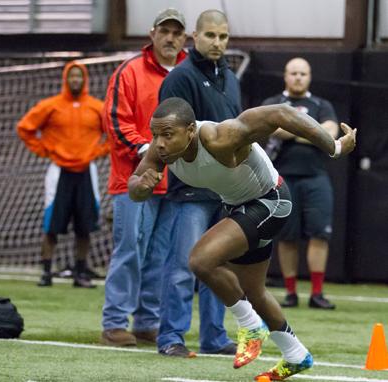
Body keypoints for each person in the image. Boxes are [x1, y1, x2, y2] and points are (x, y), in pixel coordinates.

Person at [129, 97, 356, 379]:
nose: (159, 143)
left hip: (271, 201)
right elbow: (135, 187)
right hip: (242, 206)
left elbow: (282, 113)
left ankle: (250, 326)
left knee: (200, 260)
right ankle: (296, 354)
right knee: (253, 291)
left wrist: (334, 147)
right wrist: (142, 186)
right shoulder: (160, 152)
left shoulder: (220, 136)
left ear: (190, 131)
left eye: (167, 134)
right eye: (155, 135)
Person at [100, 8, 187, 346]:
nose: (170, 38)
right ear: (151, 34)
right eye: (164, 31)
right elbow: (115, 123)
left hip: (175, 183)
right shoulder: (129, 72)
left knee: (159, 257)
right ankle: (114, 322)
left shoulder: (187, 73)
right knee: (130, 251)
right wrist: (151, 152)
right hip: (132, 180)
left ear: (185, 38)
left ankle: (147, 321)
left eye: (177, 33)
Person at [156, 9, 240, 357]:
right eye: (210, 36)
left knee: (217, 266)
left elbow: (239, 131)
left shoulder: (232, 78)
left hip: (226, 189)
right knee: (182, 266)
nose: (217, 43)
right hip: (190, 190)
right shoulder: (179, 78)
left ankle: (214, 338)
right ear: (195, 37)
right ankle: (171, 338)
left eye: (222, 37)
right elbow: (169, 134)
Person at [17, 61, 109, 289]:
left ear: (85, 79)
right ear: (66, 79)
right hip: (59, 172)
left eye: (79, 76)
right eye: (72, 76)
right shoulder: (51, 106)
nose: (76, 80)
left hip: (87, 171)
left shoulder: (97, 107)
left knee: (85, 225)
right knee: (52, 224)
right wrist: (45, 150)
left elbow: (115, 132)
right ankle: (46, 272)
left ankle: (80, 272)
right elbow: (25, 128)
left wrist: (99, 151)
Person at [263, 57, 339, 309]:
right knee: (287, 236)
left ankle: (317, 294)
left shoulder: (322, 104)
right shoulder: (272, 103)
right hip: (282, 180)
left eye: (302, 73)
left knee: (320, 234)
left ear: (310, 77)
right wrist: (313, 132)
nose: (298, 77)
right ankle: (291, 293)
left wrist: (290, 128)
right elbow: (270, 128)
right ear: (285, 75)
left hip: (316, 178)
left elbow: (330, 135)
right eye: (293, 73)